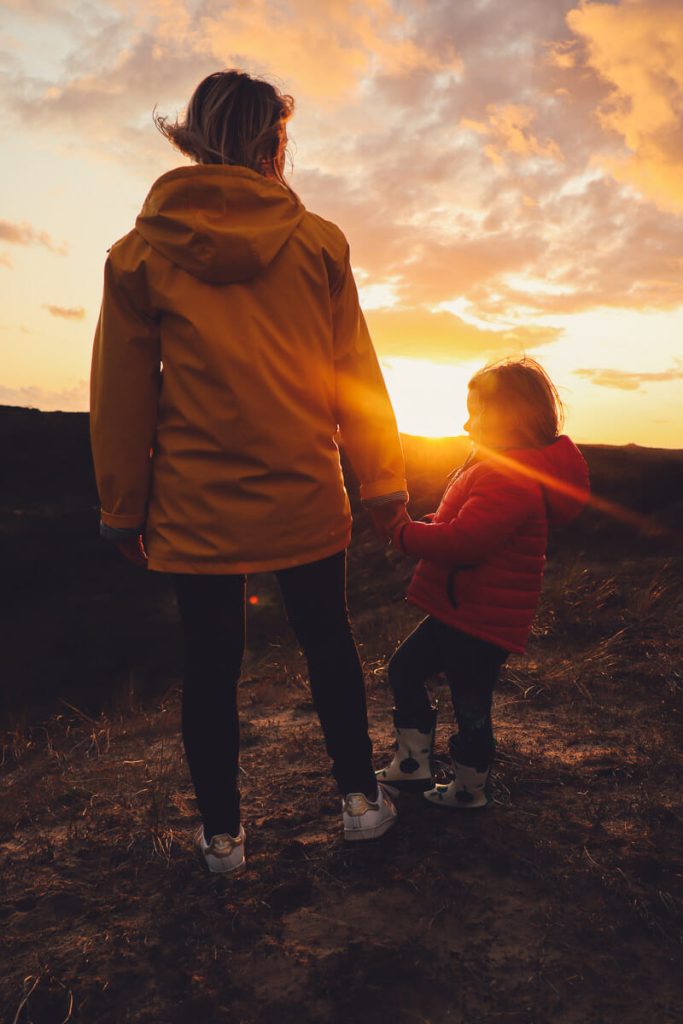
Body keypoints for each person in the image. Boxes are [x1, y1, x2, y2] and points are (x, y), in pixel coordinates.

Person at [90, 69, 408, 874]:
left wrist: (123, 508)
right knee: (327, 642)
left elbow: (121, 394)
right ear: (275, 143)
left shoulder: (138, 255)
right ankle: (361, 802)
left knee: (209, 664)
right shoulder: (318, 242)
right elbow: (353, 373)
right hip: (302, 485)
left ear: (192, 137)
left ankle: (224, 840)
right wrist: (382, 481)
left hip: (195, 502)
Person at [376, 357, 590, 808]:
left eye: (476, 411)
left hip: (479, 621)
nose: (466, 421)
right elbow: (460, 522)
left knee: (471, 705)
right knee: (406, 670)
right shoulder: (495, 466)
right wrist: (426, 525)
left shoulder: (510, 476)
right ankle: (414, 767)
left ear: (509, 417)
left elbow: (467, 540)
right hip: (462, 611)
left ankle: (469, 789)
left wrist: (403, 533)